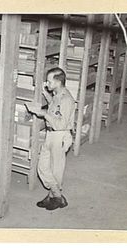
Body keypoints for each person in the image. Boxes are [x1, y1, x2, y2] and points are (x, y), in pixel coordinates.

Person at [28, 67, 75, 211]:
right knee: (42, 167)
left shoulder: (67, 99)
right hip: (51, 135)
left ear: (58, 82)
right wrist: (45, 94)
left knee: (56, 171)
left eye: (49, 81)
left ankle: (54, 197)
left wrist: (43, 113)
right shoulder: (57, 95)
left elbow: (60, 124)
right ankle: (57, 196)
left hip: (60, 136)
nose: (47, 84)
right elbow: (54, 107)